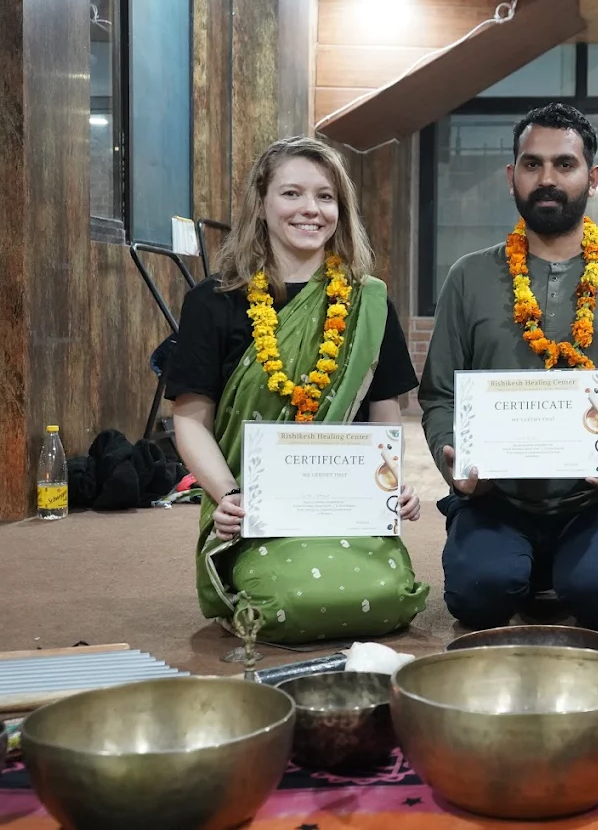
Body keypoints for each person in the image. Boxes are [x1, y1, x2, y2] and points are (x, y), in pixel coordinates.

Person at [418, 102, 598, 633]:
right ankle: (519, 564)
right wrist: (453, 456)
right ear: (512, 176)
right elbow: (438, 395)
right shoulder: (468, 277)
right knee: (477, 598)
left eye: (564, 164)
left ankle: (570, 566)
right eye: (533, 164)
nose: (547, 178)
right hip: (496, 496)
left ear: (592, 177)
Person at [165, 135, 429, 644]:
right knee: (288, 602)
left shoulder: (369, 303)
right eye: (292, 194)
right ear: (261, 203)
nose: (311, 209)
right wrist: (229, 497)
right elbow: (190, 420)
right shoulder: (213, 302)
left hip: (346, 504)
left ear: (340, 210)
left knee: (391, 596)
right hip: (255, 512)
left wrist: (391, 485)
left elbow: (384, 413)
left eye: (325, 196)